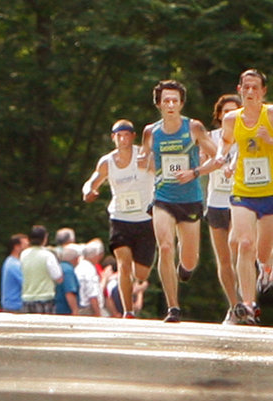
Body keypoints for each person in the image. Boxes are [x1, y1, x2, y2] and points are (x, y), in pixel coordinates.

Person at [220, 69, 273, 324]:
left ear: (263, 91)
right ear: (240, 89)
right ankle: (247, 304)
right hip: (242, 191)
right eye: (246, 87)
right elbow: (225, 146)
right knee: (245, 244)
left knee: (262, 253)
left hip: (271, 193)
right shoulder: (232, 119)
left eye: (256, 87)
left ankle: (267, 268)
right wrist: (225, 161)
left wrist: (272, 140)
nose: (251, 92)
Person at [141, 80, 222, 323]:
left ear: (181, 103)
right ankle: (173, 307)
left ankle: (184, 269)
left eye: (175, 100)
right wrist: (147, 164)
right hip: (163, 197)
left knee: (189, 258)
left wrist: (195, 171)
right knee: (165, 247)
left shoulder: (193, 128)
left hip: (190, 198)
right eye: (166, 100)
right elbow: (147, 159)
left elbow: (218, 157)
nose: (170, 104)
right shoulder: (151, 132)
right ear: (158, 104)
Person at [83, 119, 156, 319]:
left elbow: (162, 174)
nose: (123, 139)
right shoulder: (107, 162)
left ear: (133, 137)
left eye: (127, 135)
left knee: (141, 274)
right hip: (119, 218)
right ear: (113, 138)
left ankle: (135, 272)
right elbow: (92, 180)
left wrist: (151, 166)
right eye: (119, 135)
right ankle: (128, 311)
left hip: (145, 219)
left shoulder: (145, 155)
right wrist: (89, 191)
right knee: (123, 264)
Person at [205, 94, 243, 324]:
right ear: (219, 115)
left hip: (241, 200)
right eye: (225, 111)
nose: (229, 115)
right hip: (216, 201)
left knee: (242, 252)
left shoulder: (248, 135)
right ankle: (234, 305)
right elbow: (202, 163)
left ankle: (248, 301)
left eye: (234, 110)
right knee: (224, 258)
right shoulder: (211, 138)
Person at [20, 225, 63, 314]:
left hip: (27, 298)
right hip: (45, 298)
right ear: (45, 238)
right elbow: (58, 277)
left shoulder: (23, 255)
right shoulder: (48, 255)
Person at [0, 233, 29, 313]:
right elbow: (26, 283)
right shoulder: (14, 265)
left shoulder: (11, 262)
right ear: (16, 247)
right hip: (15, 307)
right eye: (26, 245)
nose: (28, 247)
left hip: (13, 305)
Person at [74, 240, 104, 317]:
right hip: (88, 310)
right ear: (96, 255)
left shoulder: (79, 267)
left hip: (81, 307)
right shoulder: (89, 270)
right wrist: (98, 314)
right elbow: (92, 294)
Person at [54, 243, 81, 315]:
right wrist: (75, 311)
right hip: (65, 310)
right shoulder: (68, 270)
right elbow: (69, 292)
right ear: (76, 258)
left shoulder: (59, 267)